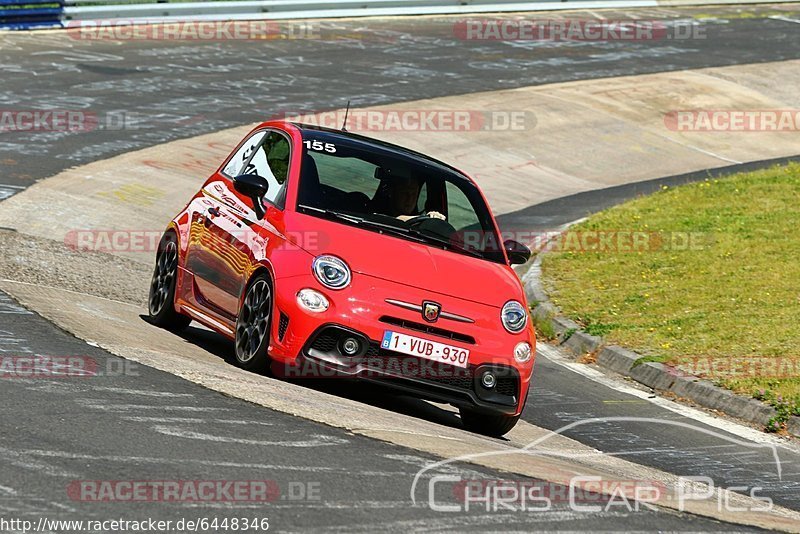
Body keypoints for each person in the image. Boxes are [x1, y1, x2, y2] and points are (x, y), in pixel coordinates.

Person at [377, 172, 445, 222]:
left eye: (414, 194)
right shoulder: (373, 216)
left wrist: (434, 219)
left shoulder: (421, 228)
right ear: (392, 192)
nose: (410, 198)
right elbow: (392, 220)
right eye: (404, 193)